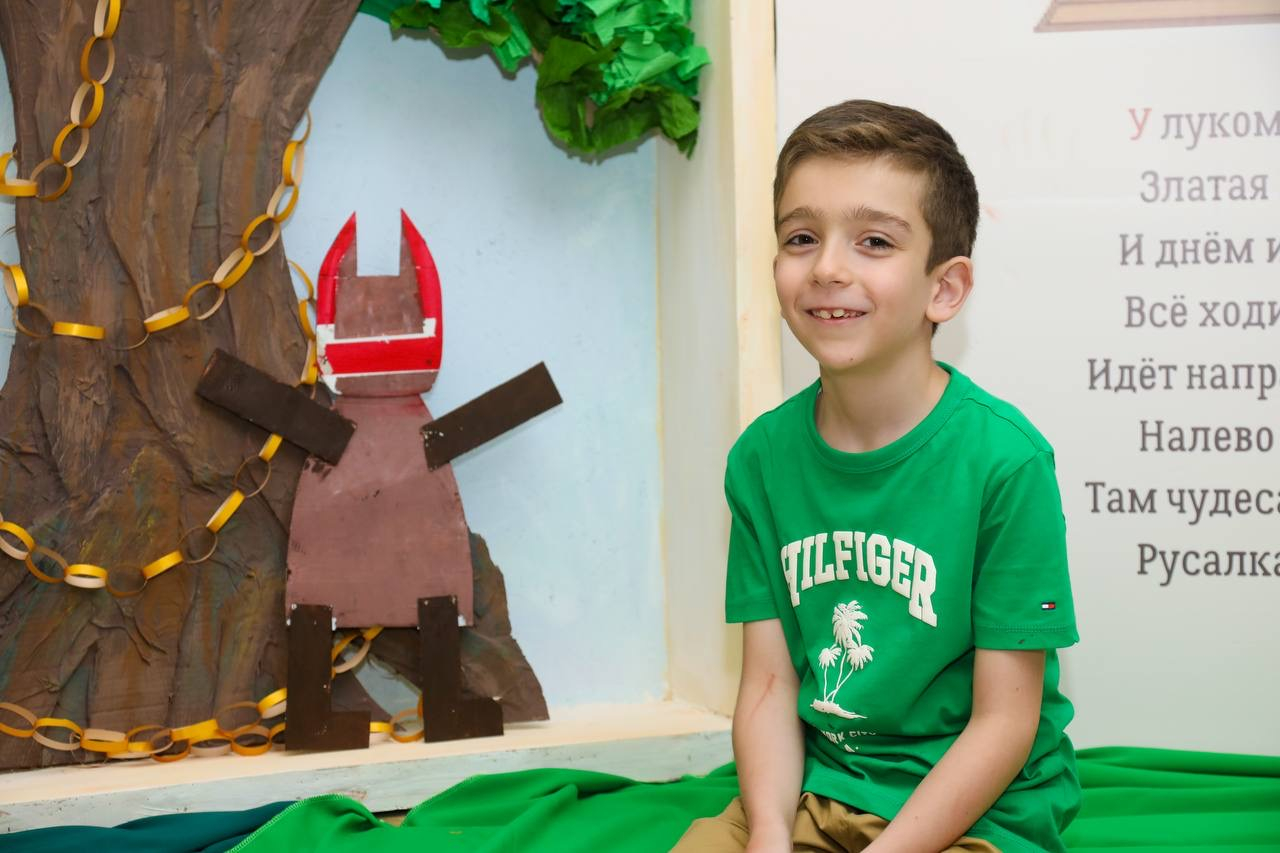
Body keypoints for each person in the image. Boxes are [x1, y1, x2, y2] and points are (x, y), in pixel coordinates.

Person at [672, 100, 1080, 853]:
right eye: (801, 237)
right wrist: (769, 831)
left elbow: (1005, 721)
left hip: (976, 810)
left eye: (874, 241)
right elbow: (769, 685)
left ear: (944, 288)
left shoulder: (1007, 461)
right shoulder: (760, 459)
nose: (828, 267)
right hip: (817, 789)